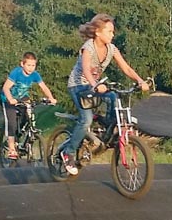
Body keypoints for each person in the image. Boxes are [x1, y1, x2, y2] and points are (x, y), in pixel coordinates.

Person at [61, 13, 150, 175]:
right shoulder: (88, 47)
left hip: (95, 86)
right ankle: (69, 152)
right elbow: (87, 70)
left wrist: (140, 80)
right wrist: (95, 84)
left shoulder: (112, 49)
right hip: (78, 86)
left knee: (113, 97)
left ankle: (107, 131)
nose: (112, 34)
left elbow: (126, 68)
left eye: (113, 31)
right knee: (86, 119)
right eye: (109, 31)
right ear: (98, 32)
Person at [0, 52, 58, 159]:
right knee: (11, 122)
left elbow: (44, 88)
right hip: (8, 99)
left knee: (28, 116)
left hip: (23, 98)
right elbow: (6, 88)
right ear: (22, 64)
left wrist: (51, 98)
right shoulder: (16, 73)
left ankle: (23, 137)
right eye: (28, 65)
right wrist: (10, 99)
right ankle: (12, 149)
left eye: (33, 65)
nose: (31, 68)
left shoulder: (35, 75)